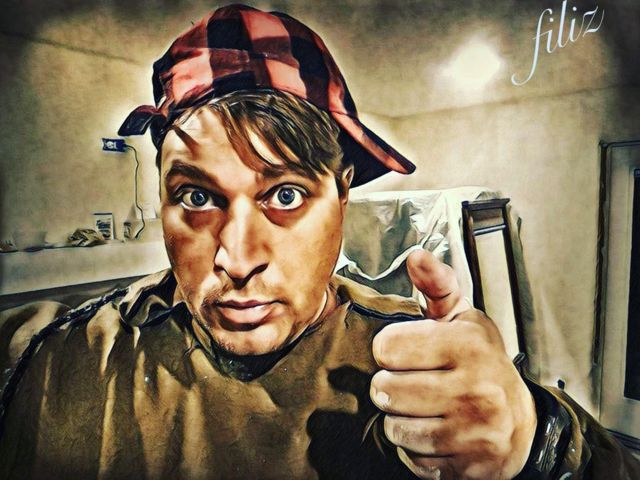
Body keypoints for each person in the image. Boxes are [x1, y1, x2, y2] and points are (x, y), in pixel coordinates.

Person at [0, 4, 638, 479]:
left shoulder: (414, 363)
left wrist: (535, 442)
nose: (237, 259)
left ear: (342, 196)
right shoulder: (59, 359)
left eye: (284, 195)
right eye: (196, 197)